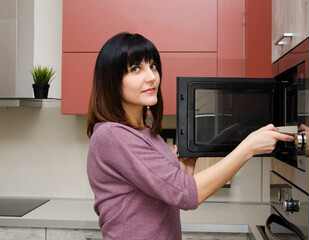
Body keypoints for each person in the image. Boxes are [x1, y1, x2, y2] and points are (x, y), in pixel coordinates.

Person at [86, 32, 294, 240]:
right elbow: (186, 195)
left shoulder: (145, 131)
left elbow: (172, 194)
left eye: (153, 66)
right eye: (135, 69)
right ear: (111, 81)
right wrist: (248, 148)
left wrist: (185, 170)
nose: (151, 76)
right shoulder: (112, 135)